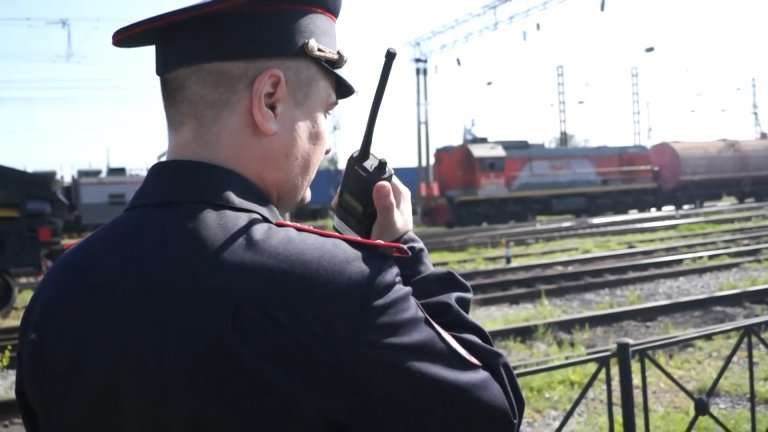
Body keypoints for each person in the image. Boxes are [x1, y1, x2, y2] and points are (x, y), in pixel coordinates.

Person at [16, 1, 525, 430]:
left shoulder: (60, 289)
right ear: (270, 100)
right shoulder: (338, 282)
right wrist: (407, 257)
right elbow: (493, 409)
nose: (326, 142)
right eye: (326, 113)